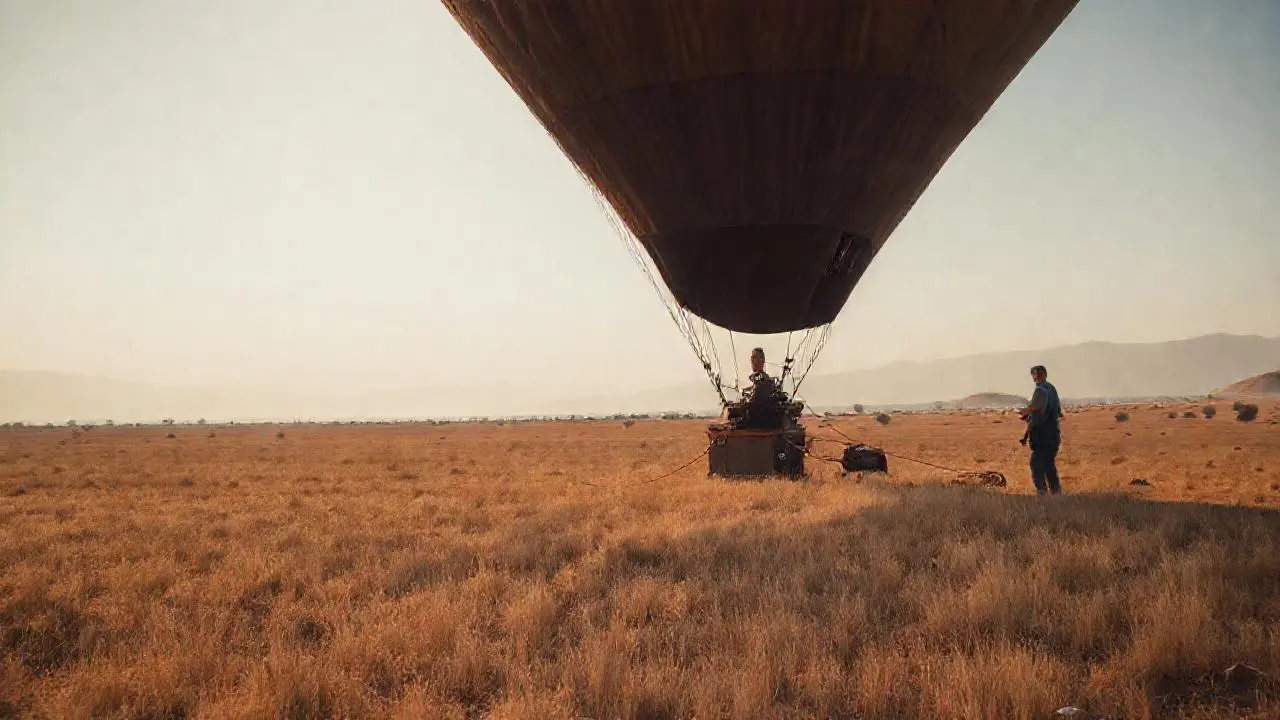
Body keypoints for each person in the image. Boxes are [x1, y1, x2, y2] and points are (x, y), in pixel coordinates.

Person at [1020, 364, 1063, 495]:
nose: (1035, 376)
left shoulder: (1040, 390)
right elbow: (1058, 411)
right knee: (1048, 464)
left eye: (1036, 373)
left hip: (1043, 434)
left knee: (1036, 464)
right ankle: (1056, 492)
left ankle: (1042, 492)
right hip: (1053, 432)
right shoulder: (1052, 388)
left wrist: (1026, 412)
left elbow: (1037, 409)